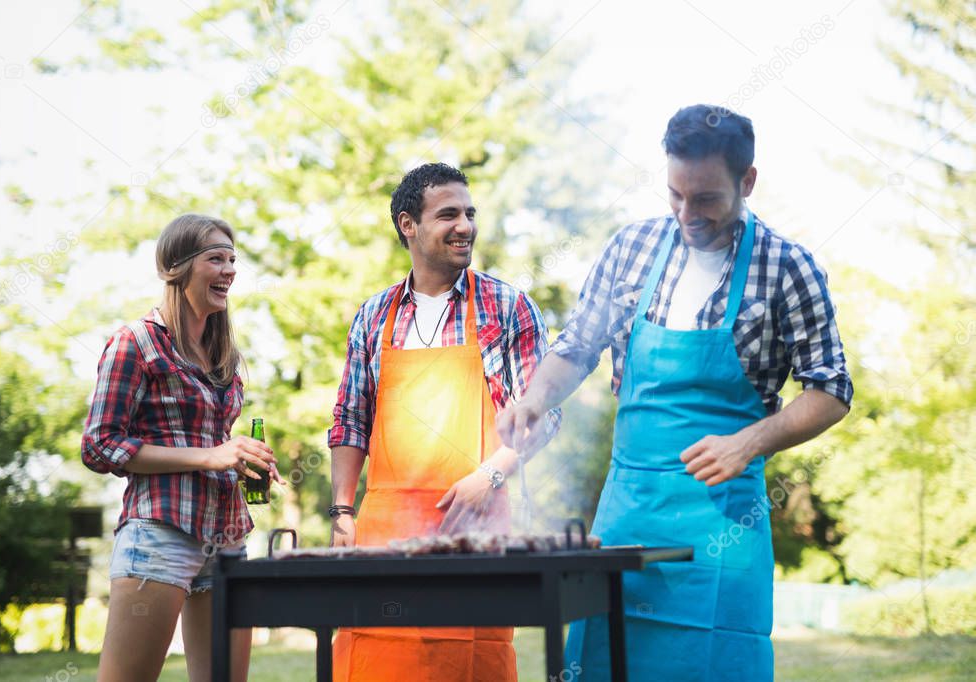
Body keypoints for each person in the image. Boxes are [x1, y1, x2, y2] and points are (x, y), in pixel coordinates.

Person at [497, 105, 853, 681]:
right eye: (675, 195)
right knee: (606, 662)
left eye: (706, 198)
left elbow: (832, 389)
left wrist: (748, 443)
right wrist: (537, 398)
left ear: (748, 181)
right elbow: (576, 347)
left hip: (723, 527)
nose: (688, 213)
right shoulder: (632, 248)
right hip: (628, 516)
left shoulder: (788, 267)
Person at [327, 162, 561, 681]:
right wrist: (343, 508)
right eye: (449, 214)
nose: (466, 226)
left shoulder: (507, 307)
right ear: (408, 225)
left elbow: (544, 415)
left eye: (470, 213)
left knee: (472, 662)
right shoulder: (373, 315)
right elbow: (350, 419)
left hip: (472, 533)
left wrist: (490, 476)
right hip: (385, 535)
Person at [82, 213, 284, 682]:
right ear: (178, 266)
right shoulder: (135, 343)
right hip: (160, 535)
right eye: (216, 258)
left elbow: (212, 446)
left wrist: (240, 458)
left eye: (233, 260)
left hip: (227, 537)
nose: (230, 270)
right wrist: (212, 455)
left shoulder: (223, 355)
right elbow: (99, 444)